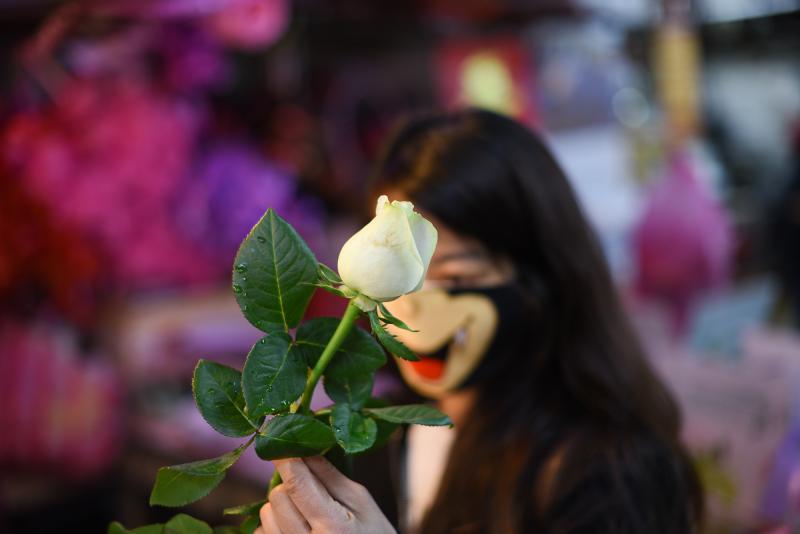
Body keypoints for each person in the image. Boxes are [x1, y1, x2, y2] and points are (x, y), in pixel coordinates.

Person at [255, 109, 704, 534]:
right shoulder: (370, 438)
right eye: (402, 278)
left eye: (456, 277)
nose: (413, 307)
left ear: (542, 278)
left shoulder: (609, 470)